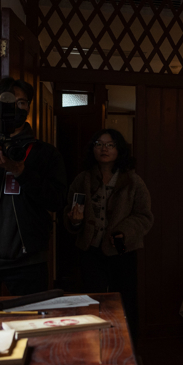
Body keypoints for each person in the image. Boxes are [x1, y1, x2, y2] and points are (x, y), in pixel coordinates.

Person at [0, 77, 66, 297]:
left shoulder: (45, 153)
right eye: (8, 102)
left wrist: (21, 172)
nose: (16, 108)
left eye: (22, 102)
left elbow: (57, 201)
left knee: (33, 315)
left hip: (29, 260)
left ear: (29, 107)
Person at [64, 128, 153, 336]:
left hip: (122, 251)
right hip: (90, 250)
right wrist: (75, 221)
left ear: (119, 149)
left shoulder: (133, 181)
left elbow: (144, 216)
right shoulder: (82, 179)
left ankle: (127, 345)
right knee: (91, 302)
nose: (104, 149)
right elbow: (70, 213)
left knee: (125, 303)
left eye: (110, 145)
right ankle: (92, 343)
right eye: (99, 144)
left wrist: (124, 231)